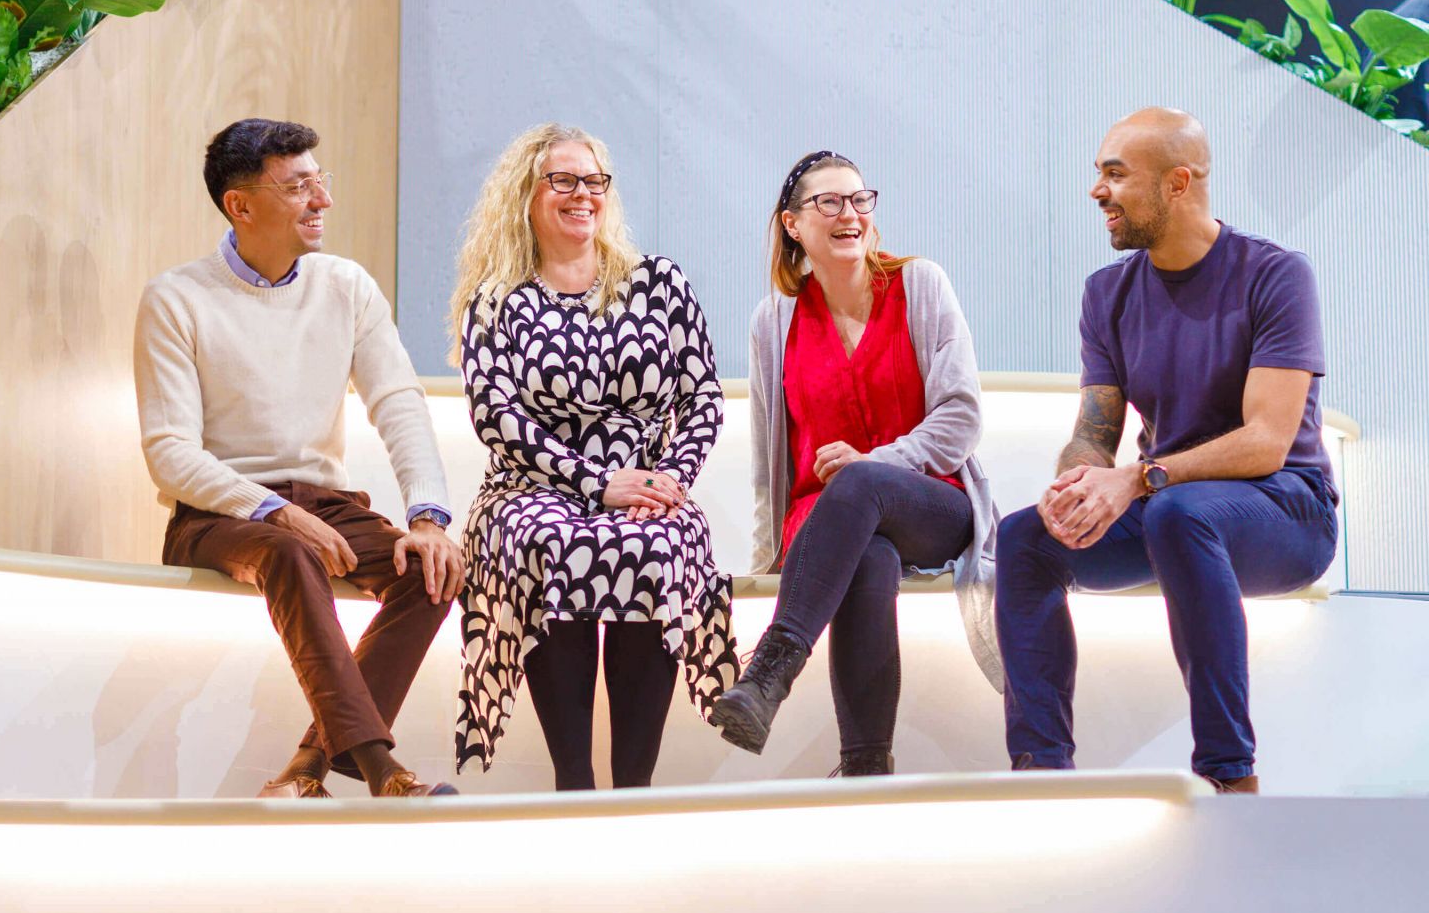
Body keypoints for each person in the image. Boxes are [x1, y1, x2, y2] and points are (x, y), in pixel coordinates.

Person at [995, 107, 1338, 794]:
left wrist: (1138, 478)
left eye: (1116, 174)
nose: (1097, 191)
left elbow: (1267, 442)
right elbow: (1095, 431)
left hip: (1286, 509)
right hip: (1168, 509)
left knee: (1180, 513)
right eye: (1099, 173)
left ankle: (1229, 774)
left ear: (1178, 183)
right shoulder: (1107, 293)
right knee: (1024, 537)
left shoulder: (1275, 275)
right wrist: (1078, 485)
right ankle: (1042, 775)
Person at [134, 118, 465, 799]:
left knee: (433, 572)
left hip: (327, 506)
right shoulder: (175, 298)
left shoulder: (346, 285)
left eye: (321, 180)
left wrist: (428, 518)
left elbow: (399, 402)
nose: (322, 200)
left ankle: (307, 766)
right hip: (218, 514)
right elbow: (170, 453)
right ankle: (384, 772)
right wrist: (274, 512)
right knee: (289, 552)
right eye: (297, 187)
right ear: (240, 205)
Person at [448, 123, 739, 790]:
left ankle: (633, 789)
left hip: (646, 486)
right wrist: (596, 482)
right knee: (553, 540)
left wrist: (668, 480)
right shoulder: (495, 300)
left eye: (594, 180)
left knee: (655, 543)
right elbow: (497, 417)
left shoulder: (659, 284)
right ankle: (573, 784)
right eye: (564, 180)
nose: (583, 194)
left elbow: (702, 399)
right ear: (526, 194)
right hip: (530, 488)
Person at [710, 151, 1000, 775]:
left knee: (866, 483)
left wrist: (875, 461)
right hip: (823, 517)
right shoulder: (773, 321)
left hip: (930, 503)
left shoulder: (920, 284)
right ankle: (867, 769)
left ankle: (770, 671)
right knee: (867, 554)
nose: (851, 214)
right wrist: (768, 555)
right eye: (830, 202)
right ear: (792, 224)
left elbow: (960, 417)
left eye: (860, 199)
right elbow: (769, 459)